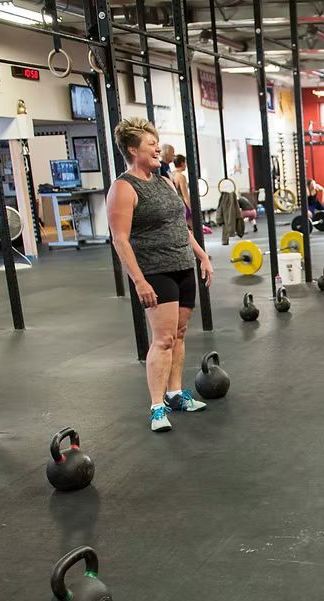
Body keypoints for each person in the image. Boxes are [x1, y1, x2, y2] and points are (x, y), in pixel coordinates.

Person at [106, 118, 213, 433]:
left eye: (156, 143)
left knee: (179, 334)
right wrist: (139, 281)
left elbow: (181, 227)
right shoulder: (123, 188)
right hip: (155, 272)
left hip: (183, 266)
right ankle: (157, 407)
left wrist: (203, 256)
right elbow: (120, 240)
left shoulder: (165, 182)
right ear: (132, 149)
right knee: (163, 339)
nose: (157, 149)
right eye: (151, 144)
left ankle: (176, 394)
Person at [171, 155, 191, 227]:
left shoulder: (171, 174)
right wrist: (191, 209)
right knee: (193, 228)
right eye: (185, 163)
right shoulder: (181, 177)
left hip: (174, 204)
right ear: (182, 163)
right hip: (182, 204)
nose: (186, 165)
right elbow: (185, 196)